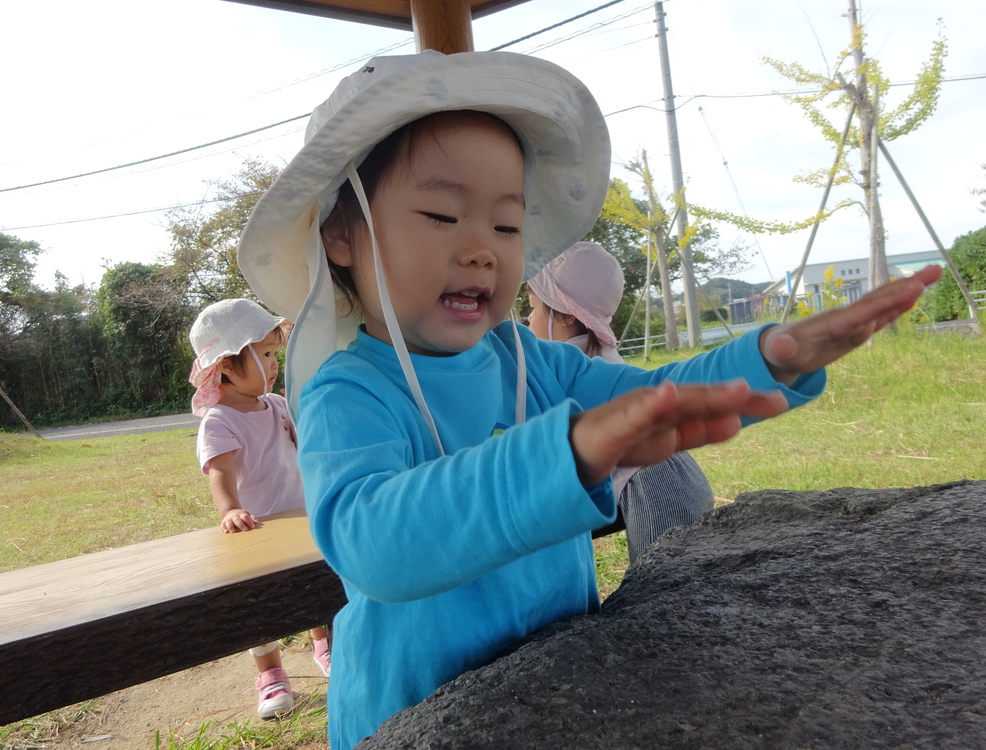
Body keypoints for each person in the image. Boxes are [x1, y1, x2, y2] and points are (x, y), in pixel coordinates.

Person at [235, 50, 941, 749]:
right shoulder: (347, 390)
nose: (483, 248)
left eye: (507, 225)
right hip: (412, 711)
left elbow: (659, 398)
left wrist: (769, 360)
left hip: (558, 692)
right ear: (341, 234)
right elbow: (372, 545)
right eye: (442, 215)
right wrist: (560, 454)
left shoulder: (532, 363)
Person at [526, 241, 715, 563]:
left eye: (532, 308)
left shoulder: (568, 371)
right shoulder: (596, 357)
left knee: (661, 592)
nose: (527, 320)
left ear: (565, 316)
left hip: (657, 487)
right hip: (669, 479)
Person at [188, 298, 332, 720]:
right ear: (227, 365)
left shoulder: (279, 406)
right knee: (261, 605)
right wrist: (230, 510)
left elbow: (303, 448)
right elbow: (220, 472)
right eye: (266, 354)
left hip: (301, 516)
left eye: (274, 353)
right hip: (258, 529)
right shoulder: (220, 421)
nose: (274, 363)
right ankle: (270, 673)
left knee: (315, 584)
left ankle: (324, 645)